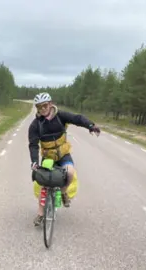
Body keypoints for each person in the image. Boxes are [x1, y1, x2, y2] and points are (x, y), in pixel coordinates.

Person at [28, 92, 100, 226]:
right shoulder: (35, 125)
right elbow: (33, 145)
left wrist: (90, 125)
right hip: (48, 157)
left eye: (44, 106)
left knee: (70, 172)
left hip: (63, 154)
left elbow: (77, 118)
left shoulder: (60, 116)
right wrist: (34, 162)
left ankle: (63, 192)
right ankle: (40, 214)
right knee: (44, 183)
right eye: (39, 107)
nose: (42, 109)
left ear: (50, 104)